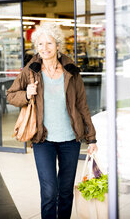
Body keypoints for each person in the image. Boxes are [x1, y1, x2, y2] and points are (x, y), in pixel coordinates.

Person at [6, 22, 97, 219]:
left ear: (57, 45)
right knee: (49, 192)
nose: (44, 48)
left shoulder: (71, 71)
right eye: (40, 44)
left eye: (49, 43)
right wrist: (26, 94)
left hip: (70, 140)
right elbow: (11, 94)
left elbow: (82, 106)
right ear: (36, 47)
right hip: (42, 139)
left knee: (65, 192)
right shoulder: (31, 70)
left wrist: (92, 139)